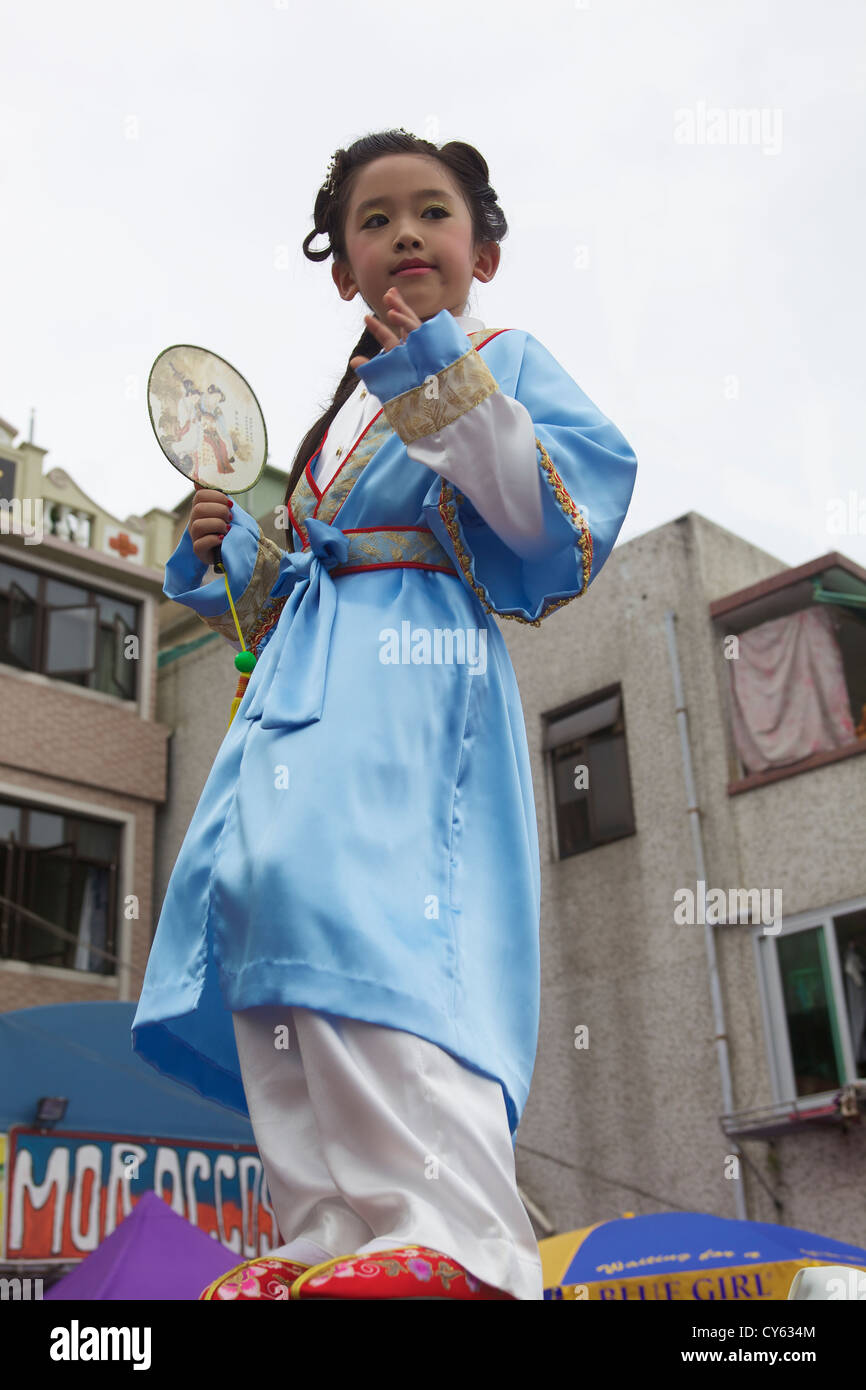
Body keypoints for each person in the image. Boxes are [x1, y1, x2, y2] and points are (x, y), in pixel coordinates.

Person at [132, 128, 638, 1301]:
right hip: (304, 694)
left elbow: (548, 522)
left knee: (379, 922)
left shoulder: (503, 359)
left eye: (431, 213)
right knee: (276, 918)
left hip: (413, 688)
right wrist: (234, 554)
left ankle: (456, 1236)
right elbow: (296, 589)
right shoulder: (330, 426)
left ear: (484, 252)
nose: (403, 234)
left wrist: (439, 377)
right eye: (374, 220)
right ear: (339, 267)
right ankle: (322, 1233)